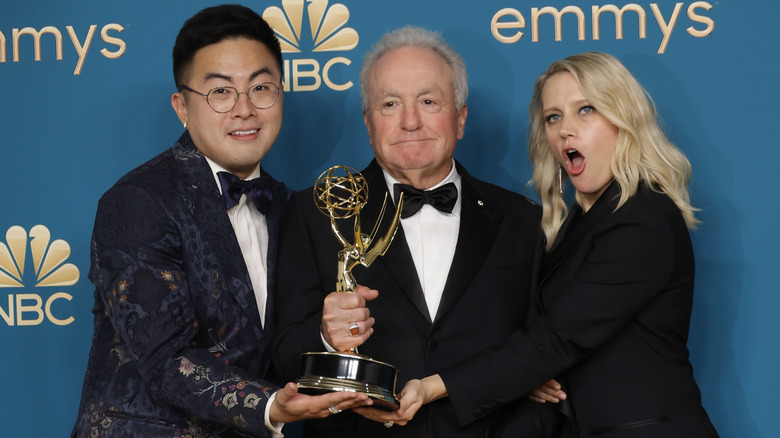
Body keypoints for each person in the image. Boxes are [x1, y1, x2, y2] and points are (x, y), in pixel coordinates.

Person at [370, 52, 720, 437]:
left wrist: (434, 385)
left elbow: (558, 337)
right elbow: (540, 340)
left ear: (624, 120)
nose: (566, 130)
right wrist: (525, 375)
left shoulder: (644, 219)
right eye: (554, 117)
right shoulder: (574, 225)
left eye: (585, 110)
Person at [71, 5, 371, 437]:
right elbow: (165, 359)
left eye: (261, 87)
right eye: (220, 92)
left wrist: (328, 337)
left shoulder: (294, 207)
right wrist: (269, 404)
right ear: (182, 107)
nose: (245, 109)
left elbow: (281, 344)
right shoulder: (139, 201)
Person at [272, 26, 560, 437]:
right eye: (390, 104)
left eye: (428, 101)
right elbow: (282, 358)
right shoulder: (315, 213)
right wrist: (324, 335)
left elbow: (545, 351)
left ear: (459, 118)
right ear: (369, 123)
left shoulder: (523, 220)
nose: (410, 121)